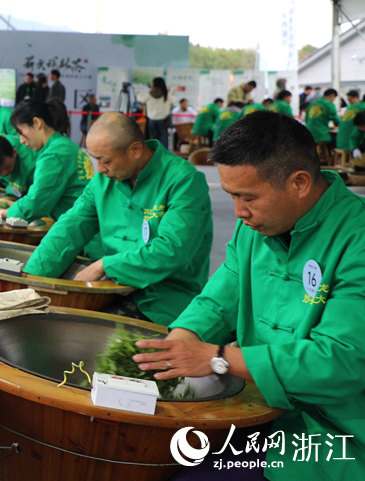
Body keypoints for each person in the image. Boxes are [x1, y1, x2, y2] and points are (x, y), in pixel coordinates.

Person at [137, 111, 365, 477]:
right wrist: (180, 342)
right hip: (259, 414)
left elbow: (340, 361)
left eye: (248, 197)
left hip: (335, 438)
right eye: (231, 196)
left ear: (300, 183)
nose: (238, 212)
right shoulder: (255, 228)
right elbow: (218, 301)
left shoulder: (357, 238)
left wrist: (218, 358)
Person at [24, 112, 212, 325]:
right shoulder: (102, 182)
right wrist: (29, 281)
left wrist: (104, 266)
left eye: (106, 161)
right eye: (96, 160)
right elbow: (70, 227)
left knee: (77, 332)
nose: (101, 169)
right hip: (111, 289)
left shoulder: (184, 181)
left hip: (164, 300)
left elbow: (173, 249)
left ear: (135, 150)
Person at [0, 100, 96, 226]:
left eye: (21, 133)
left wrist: (4, 213)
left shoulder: (53, 154)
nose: (21, 141)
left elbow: (36, 203)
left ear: (37, 123)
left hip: (78, 228)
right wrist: (14, 207)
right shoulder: (63, 145)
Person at [141, 77, 173, 149]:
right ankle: (164, 154)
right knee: (164, 137)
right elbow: (173, 101)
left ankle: (154, 152)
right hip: (163, 119)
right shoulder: (166, 93)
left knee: (153, 137)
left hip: (152, 119)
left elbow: (142, 100)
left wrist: (139, 93)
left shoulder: (150, 93)